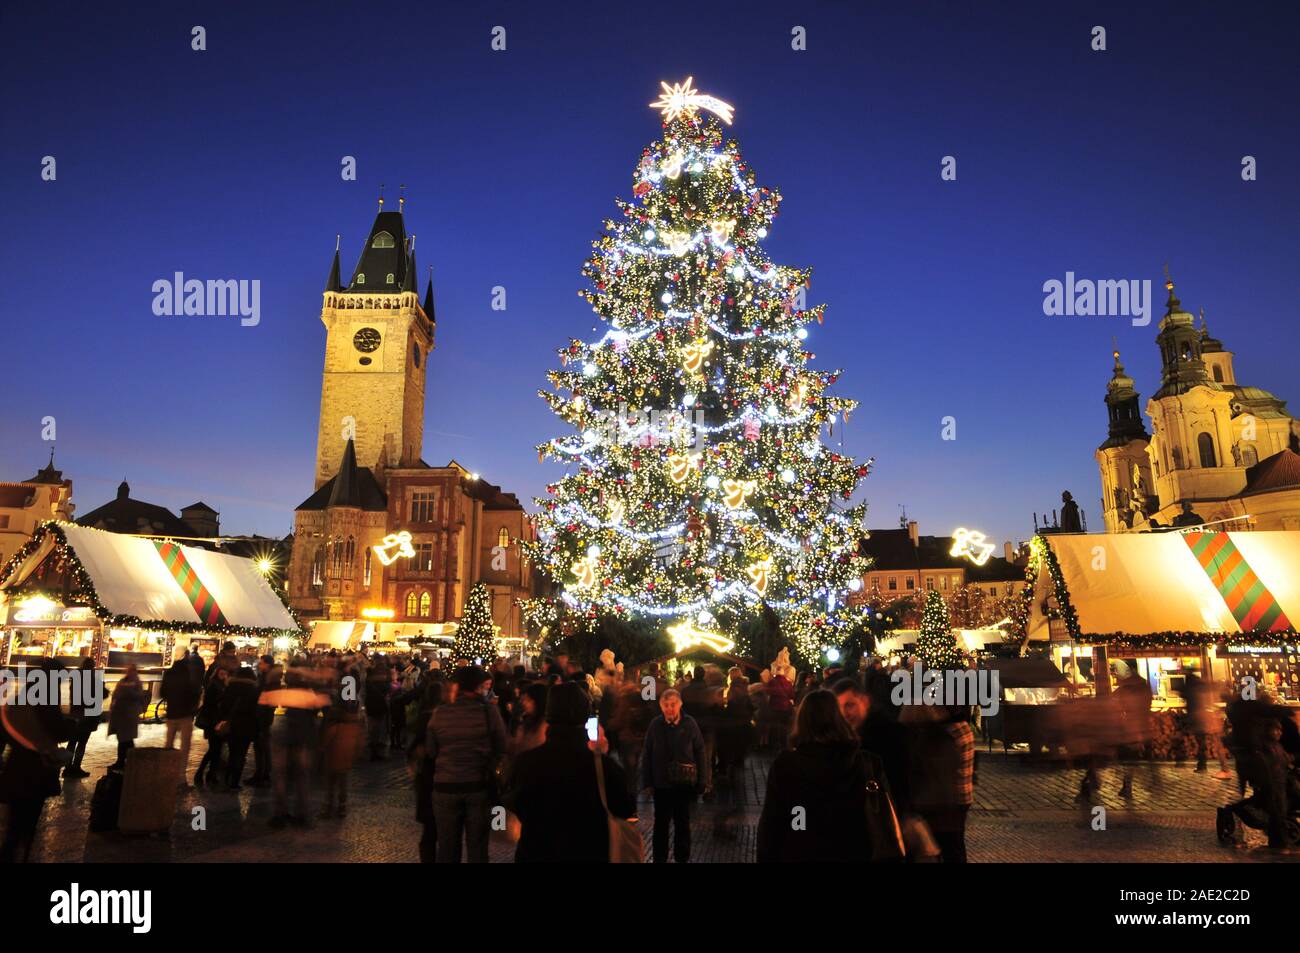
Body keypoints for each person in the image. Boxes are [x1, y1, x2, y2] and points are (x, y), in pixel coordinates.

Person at [503, 682, 636, 862]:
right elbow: (625, 806)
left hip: (537, 852)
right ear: (584, 716)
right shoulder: (600, 765)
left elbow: (513, 802)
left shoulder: (526, 762)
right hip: (588, 851)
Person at [757, 689, 874, 862]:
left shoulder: (787, 765)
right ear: (838, 719)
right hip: (850, 851)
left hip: (799, 849)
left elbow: (773, 821)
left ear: (802, 721)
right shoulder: (863, 763)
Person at [427, 666, 509, 863]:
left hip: (445, 786)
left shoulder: (440, 712)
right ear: (478, 686)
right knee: (478, 845)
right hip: (478, 785)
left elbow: (431, 750)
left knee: (447, 846)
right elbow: (501, 746)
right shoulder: (489, 711)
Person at [0, 659, 72, 862]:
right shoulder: (47, 696)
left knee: (13, 824)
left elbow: (6, 730)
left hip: (15, 765)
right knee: (27, 823)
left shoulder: (24, 694)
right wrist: (71, 726)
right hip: (35, 768)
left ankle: (9, 855)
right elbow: (57, 730)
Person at [640, 688, 705, 863]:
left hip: (683, 783)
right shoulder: (655, 725)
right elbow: (647, 753)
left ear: (680, 705)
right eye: (666, 705)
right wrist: (647, 781)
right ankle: (659, 858)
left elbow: (700, 751)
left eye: (673, 705)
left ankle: (682, 858)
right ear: (661, 707)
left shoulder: (690, 724)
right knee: (661, 825)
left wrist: (702, 780)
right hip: (661, 784)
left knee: (682, 824)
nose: (670, 709)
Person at [262, 662, 331, 829]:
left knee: (280, 776)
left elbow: (264, 696)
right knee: (302, 777)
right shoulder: (311, 696)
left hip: (282, 737)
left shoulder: (281, 694)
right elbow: (326, 704)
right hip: (304, 739)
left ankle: (279, 814)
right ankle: (302, 814)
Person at [907, 704, 975, 863]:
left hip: (952, 799)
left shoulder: (952, 732)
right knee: (954, 845)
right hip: (959, 797)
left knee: (951, 846)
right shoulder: (961, 728)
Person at [714, 667, 754, 837]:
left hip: (727, 755)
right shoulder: (743, 708)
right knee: (732, 789)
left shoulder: (728, 707)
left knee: (727, 791)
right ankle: (725, 823)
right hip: (734, 754)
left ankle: (723, 823)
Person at [319, 659, 362, 819]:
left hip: (340, 727)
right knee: (339, 776)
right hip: (341, 725)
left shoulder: (346, 680)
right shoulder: (343, 680)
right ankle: (337, 806)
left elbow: (349, 704)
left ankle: (335, 806)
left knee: (336, 776)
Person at [160, 655, 201, 785]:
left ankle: (165, 770)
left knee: (168, 744)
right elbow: (195, 693)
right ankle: (181, 775)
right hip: (185, 715)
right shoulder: (189, 676)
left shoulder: (169, 674)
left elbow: (162, 692)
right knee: (185, 746)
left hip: (172, 713)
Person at [219, 665, 260, 788]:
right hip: (247, 725)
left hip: (232, 724)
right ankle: (234, 782)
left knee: (232, 752)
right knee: (241, 754)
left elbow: (223, 705)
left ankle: (227, 779)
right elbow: (256, 710)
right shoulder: (254, 689)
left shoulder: (230, 687)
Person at [62, 657, 101, 780]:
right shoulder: (92, 680)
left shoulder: (76, 678)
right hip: (88, 714)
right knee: (82, 742)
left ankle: (68, 767)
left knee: (72, 741)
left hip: (76, 713)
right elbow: (100, 694)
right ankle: (76, 766)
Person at [106, 664, 147, 770]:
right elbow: (115, 694)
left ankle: (125, 761)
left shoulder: (135, 682)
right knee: (124, 740)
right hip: (121, 715)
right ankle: (125, 761)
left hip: (129, 715)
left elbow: (139, 696)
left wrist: (126, 693)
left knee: (126, 740)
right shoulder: (123, 681)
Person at [193, 667, 229, 786]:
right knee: (214, 750)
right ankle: (202, 773)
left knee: (215, 750)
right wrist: (223, 697)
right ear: (217, 673)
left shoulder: (221, 685)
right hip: (213, 722)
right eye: (221, 673)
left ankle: (209, 775)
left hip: (216, 721)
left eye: (225, 673)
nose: (223, 675)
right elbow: (209, 703)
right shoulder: (214, 685)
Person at [248, 655, 278, 787]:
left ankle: (262, 774)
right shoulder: (266, 676)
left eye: (261, 663)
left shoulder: (269, 679)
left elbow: (264, 697)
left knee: (261, 745)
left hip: (263, 715)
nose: (259, 665)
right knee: (262, 745)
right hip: (262, 714)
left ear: (267, 664)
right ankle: (263, 773)